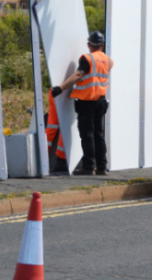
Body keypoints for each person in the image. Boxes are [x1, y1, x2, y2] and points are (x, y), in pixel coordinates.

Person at [51, 31, 113, 175]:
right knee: (99, 134)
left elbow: (78, 75)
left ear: (88, 44)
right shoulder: (108, 60)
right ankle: (102, 166)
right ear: (102, 45)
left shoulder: (87, 58)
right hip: (101, 101)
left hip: (87, 102)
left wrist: (60, 88)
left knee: (87, 135)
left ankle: (88, 167)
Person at [46, 91, 67, 172]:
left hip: (54, 90)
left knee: (51, 127)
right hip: (66, 90)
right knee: (65, 126)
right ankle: (62, 160)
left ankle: (41, 156)